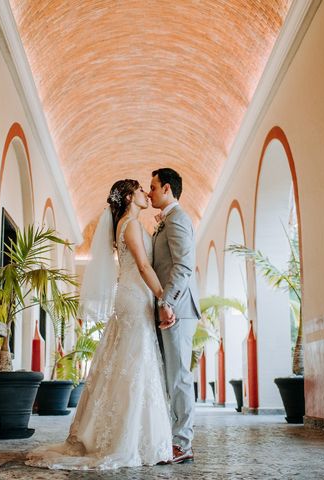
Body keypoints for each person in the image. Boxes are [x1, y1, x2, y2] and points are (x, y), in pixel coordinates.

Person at [26, 179, 174, 470]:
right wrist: (162, 297)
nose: (146, 194)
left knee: (130, 363)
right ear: (130, 196)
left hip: (133, 295)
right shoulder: (129, 225)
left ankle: (129, 433)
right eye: (141, 190)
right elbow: (144, 266)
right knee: (134, 363)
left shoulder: (129, 224)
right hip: (135, 297)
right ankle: (125, 439)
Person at [148, 167, 201, 464]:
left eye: (153, 187)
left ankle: (183, 444)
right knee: (172, 376)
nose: (149, 192)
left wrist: (167, 302)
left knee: (180, 376)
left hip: (177, 310)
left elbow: (183, 266)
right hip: (170, 309)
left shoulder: (178, 218)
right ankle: (174, 438)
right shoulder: (166, 221)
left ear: (167, 188)